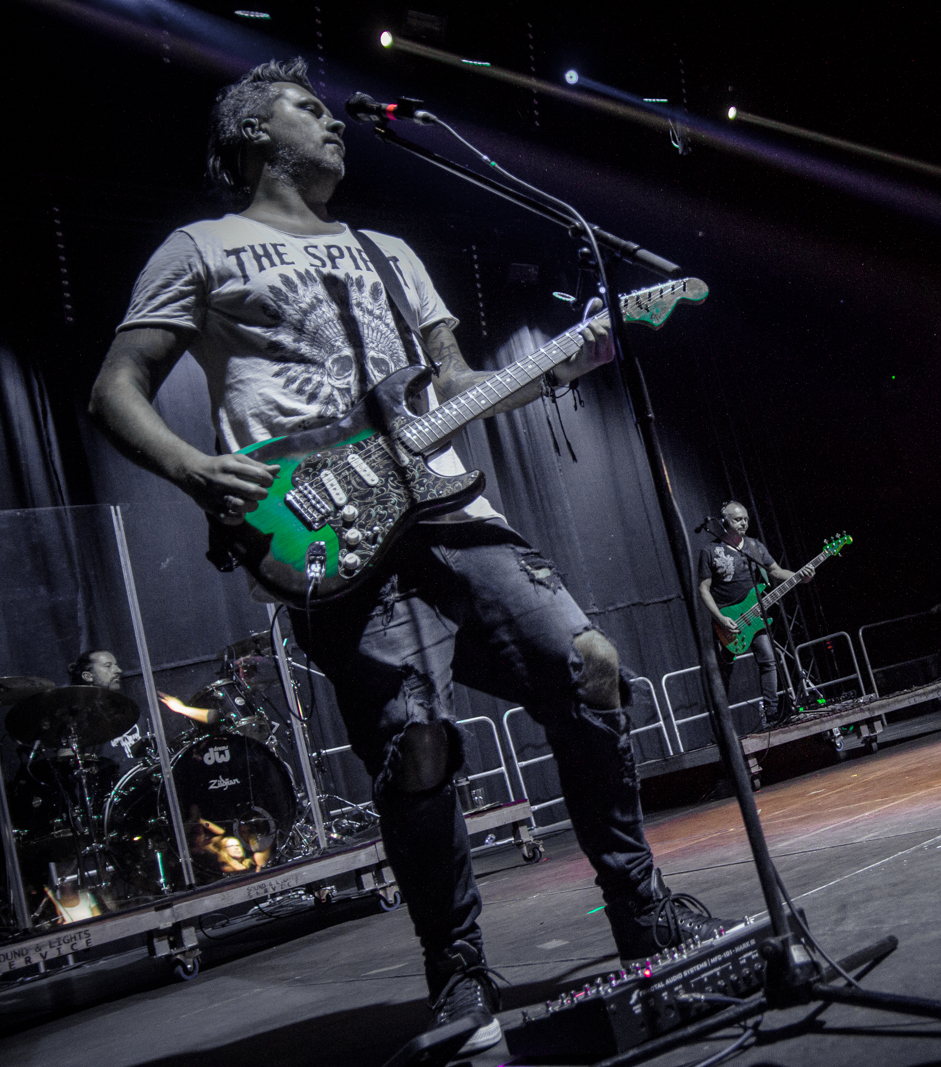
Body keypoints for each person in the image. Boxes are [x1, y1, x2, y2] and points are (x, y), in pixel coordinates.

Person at [89, 59, 719, 1056]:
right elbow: (115, 388)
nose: (333, 122)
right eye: (307, 109)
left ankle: (641, 908)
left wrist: (575, 354)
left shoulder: (388, 252)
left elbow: (459, 389)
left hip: (446, 501)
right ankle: (458, 969)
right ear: (252, 133)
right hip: (320, 521)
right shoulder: (201, 248)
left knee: (590, 662)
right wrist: (192, 467)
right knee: (415, 745)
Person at [697, 502, 812, 727]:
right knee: (723, 673)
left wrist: (800, 576)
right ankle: (721, 724)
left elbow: (776, 571)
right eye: (737, 519)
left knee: (769, 660)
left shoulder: (753, 546)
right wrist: (720, 618)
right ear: (724, 522)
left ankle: (771, 712)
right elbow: (703, 589)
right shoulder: (710, 551)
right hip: (727, 620)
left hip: (755, 617)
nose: (743, 523)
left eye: (746, 519)